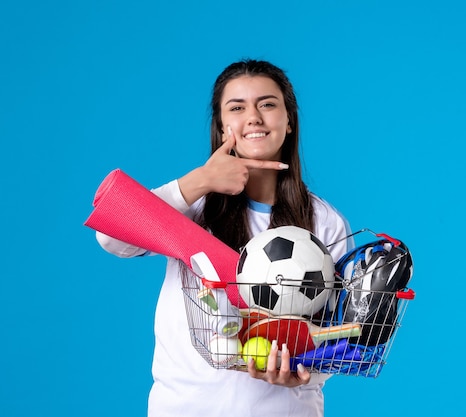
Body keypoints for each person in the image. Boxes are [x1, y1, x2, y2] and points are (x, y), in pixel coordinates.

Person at [95, 59, 352, 416]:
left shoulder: (324, 223)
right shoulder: (193, 204)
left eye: (268, 104)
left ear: (289, 121)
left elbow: (336, 334)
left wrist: (305, 376)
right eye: (237, 107)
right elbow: (111, 238)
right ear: (220, 127)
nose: (254, 117)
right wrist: (199, 181)